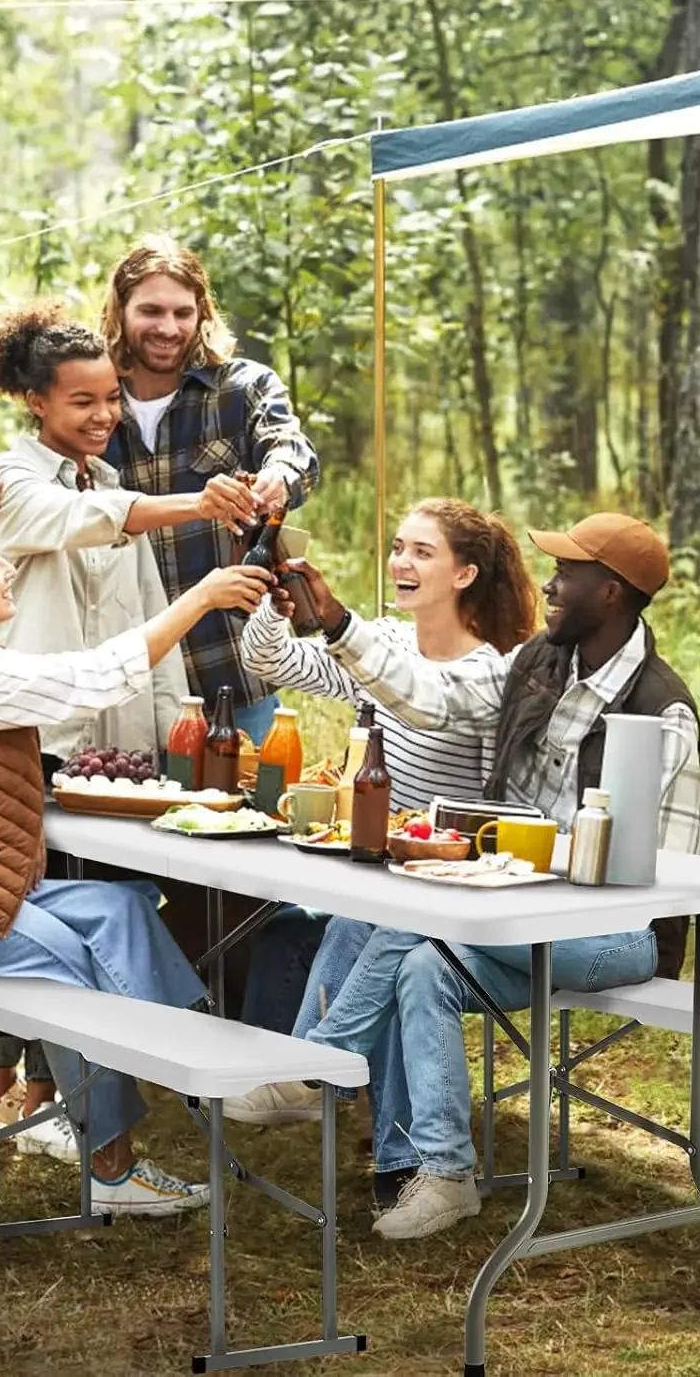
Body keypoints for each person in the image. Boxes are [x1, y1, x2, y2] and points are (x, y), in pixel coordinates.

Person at [228, 513, 700, 1239]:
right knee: (423, 963)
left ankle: (321, 1064)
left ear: (610, 593)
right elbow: (431, 700)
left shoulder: (661, 708)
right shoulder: (539, 662)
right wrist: (340, 623)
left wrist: (536, 869)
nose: (549, 583)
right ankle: (444, 1174)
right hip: (516, 909)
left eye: (568, 573)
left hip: (615, 934)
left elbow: (671, 872)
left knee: (412, 918)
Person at [0, 520, 272, 1217]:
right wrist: (200, 599)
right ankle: (112, 1168)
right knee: (68, 968)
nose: (7, 569)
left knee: (118, 907)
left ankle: (188, 1058)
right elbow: (91, 680)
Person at [0, 302, 240, 1145]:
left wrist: (175, 733)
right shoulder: (6, 487)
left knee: (109, 900)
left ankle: (52, 1088)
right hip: (33, 744)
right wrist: (196, 504)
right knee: (41, 915)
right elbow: (79, 524)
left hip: (114, 752)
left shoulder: (109, 487)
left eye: (110, 400)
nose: (103, 416)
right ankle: (33, 1093)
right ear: (37, 404)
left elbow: (151, 625)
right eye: (82, 402)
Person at [230, 499, 537, 1206]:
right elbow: (269, 659)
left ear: (465, 573)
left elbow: (424, 699)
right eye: (398, 547)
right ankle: (376, 1138)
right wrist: (280, 601)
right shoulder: (388, 647)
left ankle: (318, 1076)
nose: (401, 562)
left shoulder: (490, 671)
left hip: (462, 875)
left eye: (422, 552)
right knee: (352, 924)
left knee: (367, 934)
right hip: (390, 864)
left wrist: (341, 625)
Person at [0, 233, 320, 745]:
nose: (168, 328)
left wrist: (279, 476)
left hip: (229, 661)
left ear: (202, 313)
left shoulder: (241, 387)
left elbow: (292, 447)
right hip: (121, 676)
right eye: (151, 311)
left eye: (183, 313)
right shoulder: (91, 398)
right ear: (120, 310)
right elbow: (41, 500)